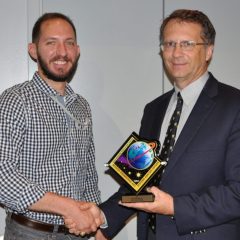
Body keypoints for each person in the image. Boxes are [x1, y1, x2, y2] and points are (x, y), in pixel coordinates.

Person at [87, 9, 240, 240]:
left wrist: (175, 207)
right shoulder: (153, 109)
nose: (176, 53)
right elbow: (137, 181)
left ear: (209, 51)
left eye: (187, 44)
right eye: (169, 44)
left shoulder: (234, 106)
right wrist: (101, 220)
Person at [0, 12, 105, 240]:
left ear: (77, 51)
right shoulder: (15, 100)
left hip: (77, 234)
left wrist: (96, 226)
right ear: (33, 50)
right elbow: (2, 177)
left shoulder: (82, 106)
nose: (62, 52)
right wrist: (68, 208)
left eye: (69, 43)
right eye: (51, 42)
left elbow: (87, 174)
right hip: (30, 234)